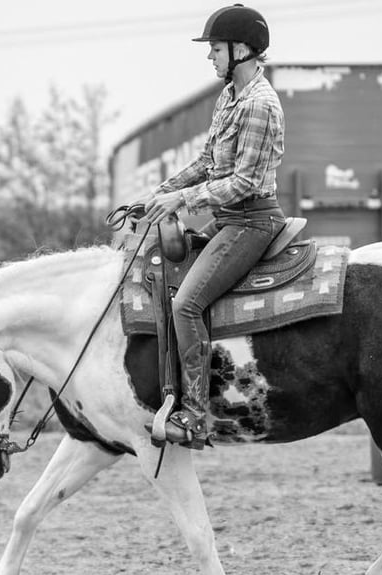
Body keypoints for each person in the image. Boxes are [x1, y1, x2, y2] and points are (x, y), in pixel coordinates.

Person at [138, 4, 285, 447]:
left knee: (185, 305)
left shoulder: (260, 105)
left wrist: (181, 201)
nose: (210, 57)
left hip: (251, 222)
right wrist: (158, 194)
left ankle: (196, 415)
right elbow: (208, 162)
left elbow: (243, 182)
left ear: (241, 50)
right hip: (228, 220)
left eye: (216, 48)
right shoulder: (228, 98)